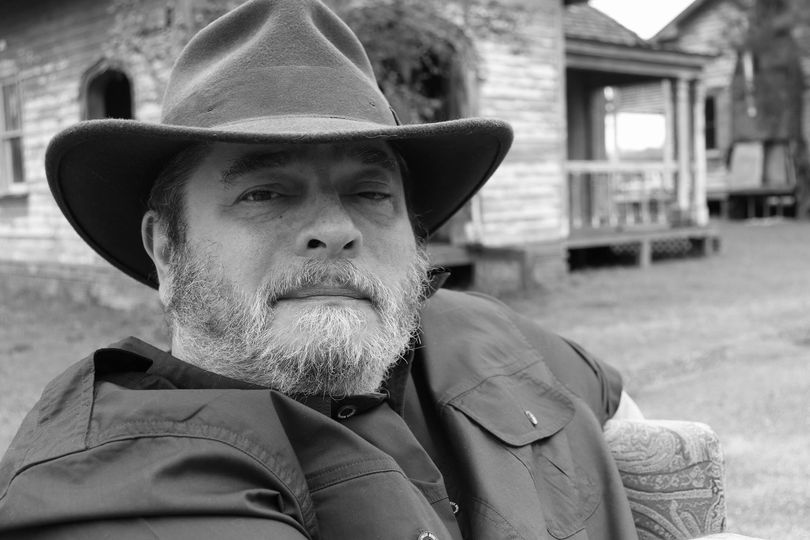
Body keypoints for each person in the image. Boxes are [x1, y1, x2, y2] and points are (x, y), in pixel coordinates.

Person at [0, 0, 643, 538]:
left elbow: (619, 413)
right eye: (264, 193)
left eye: (371, 193)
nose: (335, 229)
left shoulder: (477, 330)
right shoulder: (114, 485)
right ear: (166, 248)